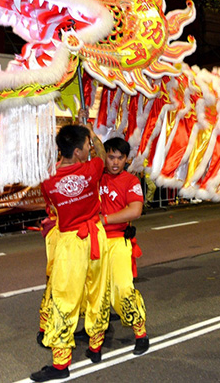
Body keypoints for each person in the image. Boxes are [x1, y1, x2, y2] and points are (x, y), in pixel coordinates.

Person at [32, 117, 109, 382]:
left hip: (69, 242)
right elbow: (101, 153)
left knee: (64, 298)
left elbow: (52, 207)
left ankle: (61, 364)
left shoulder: (48, 180)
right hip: (96, 237)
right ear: (77, 151)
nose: (90, 147)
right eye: (86, 144)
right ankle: (95, 347)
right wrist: (90, 131)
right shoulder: (92, 169)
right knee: (97, 292)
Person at [99, 137, 149, 355]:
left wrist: (105, 219)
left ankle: (141, 334)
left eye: (120, 158)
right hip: (94, 242)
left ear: (127, 159)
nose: (115, 162)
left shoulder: (131, 181)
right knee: (95, 290)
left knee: (123, 288)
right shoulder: (96, 176)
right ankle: (97, 328)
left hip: (118, 240)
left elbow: (135, 211)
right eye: (111, 157)